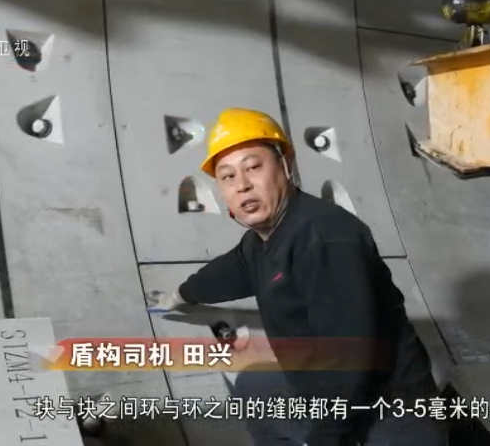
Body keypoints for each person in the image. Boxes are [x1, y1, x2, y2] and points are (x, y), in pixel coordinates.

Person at [147, 108, 446, 446]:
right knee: (254, 387)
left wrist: (326, 436)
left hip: (386, 409)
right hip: (320, 387)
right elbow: (231, 270)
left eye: (253, 167)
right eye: (228, 177)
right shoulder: (262, 240)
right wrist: (179, 295)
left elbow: (349, 356)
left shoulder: (326, 237)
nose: (242, 185)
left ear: (286, 166)